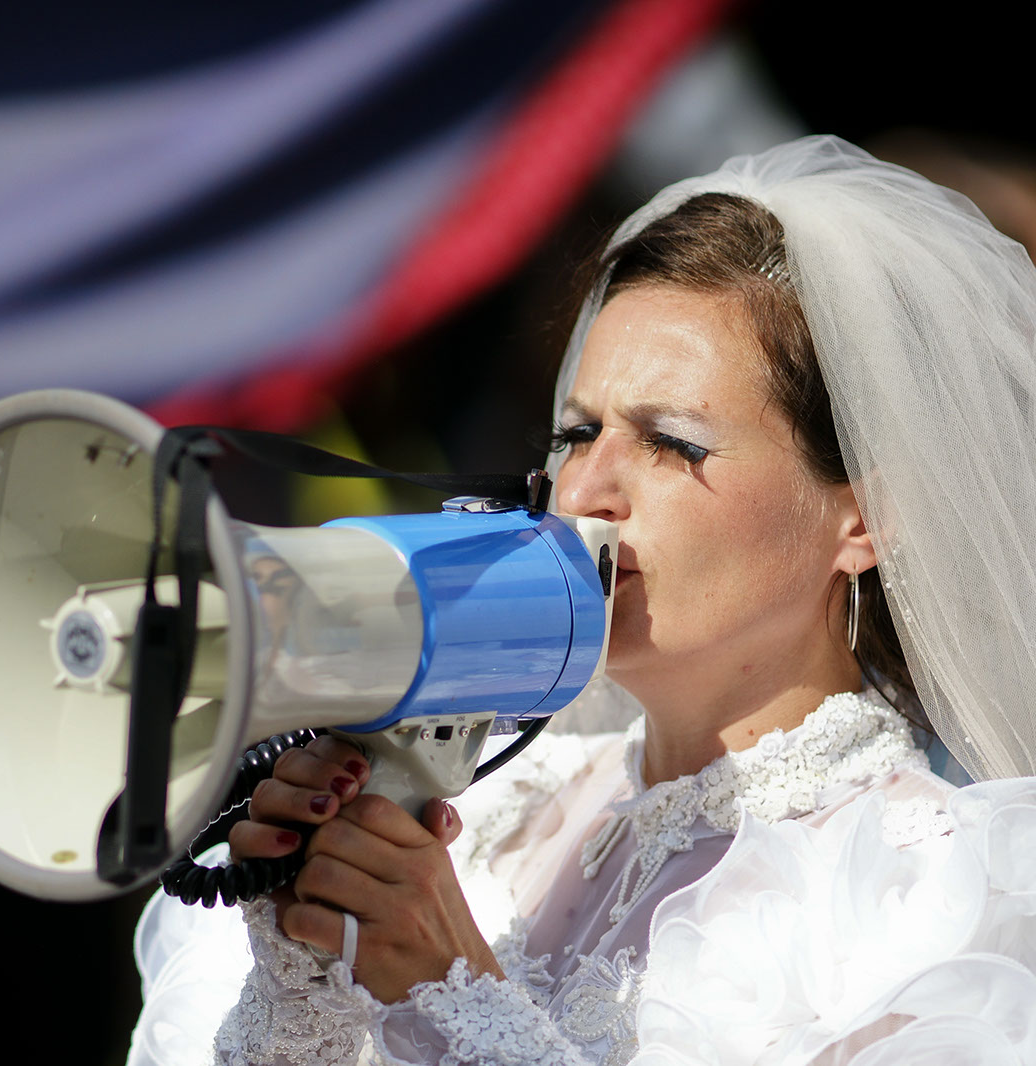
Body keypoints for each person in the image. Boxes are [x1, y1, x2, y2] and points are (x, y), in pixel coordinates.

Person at [128, 136, 1036, 1065]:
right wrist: (308, 976)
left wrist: (452, 995)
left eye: (674, 443)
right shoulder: (489, 808)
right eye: (578, 431)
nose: (587, 490)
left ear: (866, 520)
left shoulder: (939, 890)